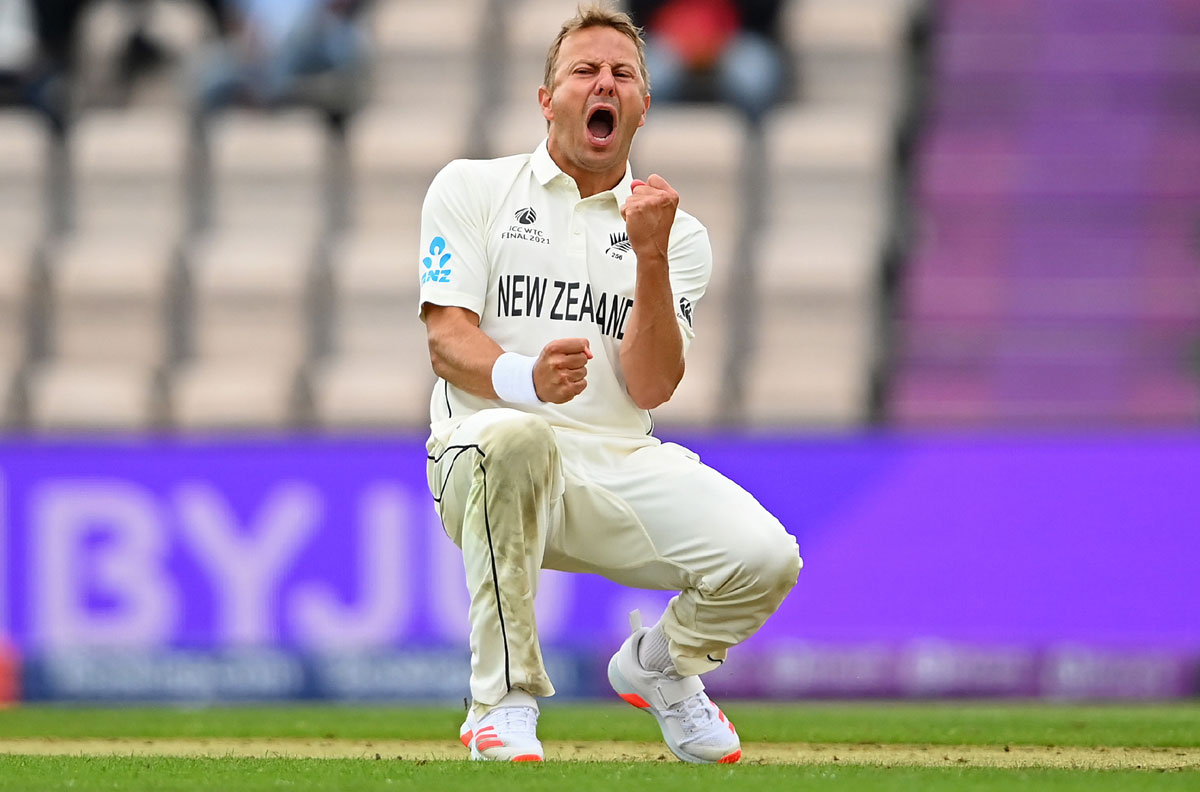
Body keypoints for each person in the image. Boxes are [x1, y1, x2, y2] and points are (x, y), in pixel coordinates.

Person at [418, 3, 801, 764]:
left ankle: (662, 667)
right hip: (479, 454)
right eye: (584, 71)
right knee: (516, 434)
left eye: (623, 73)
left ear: (643, 105)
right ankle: (502, 701)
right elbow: (444, 339)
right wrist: (525, 378)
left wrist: (651, 255)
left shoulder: (677, 233)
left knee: (765, 559)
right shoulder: (472, 188)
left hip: (617, 459)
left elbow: (653, 386)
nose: (605, 83)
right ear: (547, 98)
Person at [626, 0, 787, 123]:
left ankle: (753, 156)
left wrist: (716, 30)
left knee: (754, 81)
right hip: (667, 33)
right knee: (643, 81)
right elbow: (637, 8)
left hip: (738, 33)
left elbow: (767, 9)